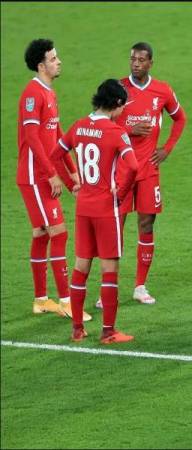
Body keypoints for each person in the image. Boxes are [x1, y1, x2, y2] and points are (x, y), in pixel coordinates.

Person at [97, 42, 187, 308]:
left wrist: (167, 149)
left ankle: (139, 286)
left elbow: (180, 118)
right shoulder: (118, 89)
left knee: (146, 225)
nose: (135, 63)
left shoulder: (163, 90)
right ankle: (108, 290)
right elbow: (104, 121)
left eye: (141, 60)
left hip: (148, 171)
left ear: (150, 63)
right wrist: (130, 129)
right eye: (132, 59)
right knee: (116, 226)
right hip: (121, 170)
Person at [50, 79, 139, 343]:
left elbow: (55, 155)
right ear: (118, 104)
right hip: (105, 209)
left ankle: (77, 329)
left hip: (83, 206)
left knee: (81, 265)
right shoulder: (115, 132)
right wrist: (121, 193)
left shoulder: (79, 126)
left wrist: (72, 186)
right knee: (109, 268)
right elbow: (133, 167)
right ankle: (109, 332)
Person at [17, 38, 91, 322]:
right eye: (53, 58)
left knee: (42, 234)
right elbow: (33, 138)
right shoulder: (32, 94)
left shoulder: (49, 92)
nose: (58, 62)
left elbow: (58, 138)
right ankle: (67, 302)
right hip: (35, 178)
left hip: (43, 175)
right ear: (41, 65)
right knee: (59, 233)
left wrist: (71, 172)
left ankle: (40, 300)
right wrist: (51, 175)